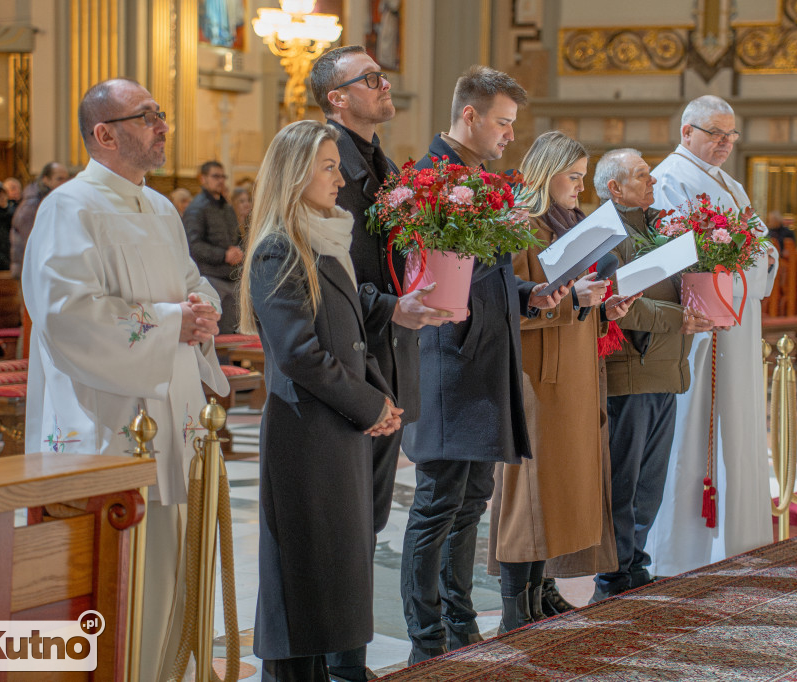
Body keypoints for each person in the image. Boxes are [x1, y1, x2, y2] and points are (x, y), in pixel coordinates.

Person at [22, 78, 229, 682]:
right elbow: (67, 317)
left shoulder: (161, 207)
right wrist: (171, 323)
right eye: (147, 117)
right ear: (105, 134)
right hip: (112, 419)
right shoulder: (70, 207)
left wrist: (203, 307)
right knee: (126, 573)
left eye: (161, 114)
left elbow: (192, 279)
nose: (163, 126)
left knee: (177, 563)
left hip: (177, 413)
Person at [399, 65, 571, 664]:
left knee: (471, 498)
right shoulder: (423, 180)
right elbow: (422, 278)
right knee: (437, 502)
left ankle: (460, 619)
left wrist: (531, 295)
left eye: (513, 125)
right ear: (468, 115)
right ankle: (426, 638)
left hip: (487, 361)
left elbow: (490, 277)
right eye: (501, 123)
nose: (508, 136)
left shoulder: (484, 180)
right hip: (447, 361)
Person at [240, 119, 403, 682]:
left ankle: (340, 668)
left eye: (337, 166)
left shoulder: (326, 237)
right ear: (295, 174)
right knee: (303, 574)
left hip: (339, 427)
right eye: (328, 167)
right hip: (306, 432)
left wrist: (379, 399)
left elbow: (349, 324)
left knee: (335, 566)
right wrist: (368, 404)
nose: (339, 179)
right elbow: (299, 354)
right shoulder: (278, 249)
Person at [310, 44, 453, 682]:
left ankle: (348, 661)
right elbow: (327, 269)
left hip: (386, 354)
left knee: (366, 525)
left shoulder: (381, 160)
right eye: (368, 78)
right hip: (350, 358)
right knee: (343, 529)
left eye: (382, 74)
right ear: (337, 97)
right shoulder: (325, 160)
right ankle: (338, 665)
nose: (383, 83)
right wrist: (390, 306)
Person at [487, 131, 638, 630]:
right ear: (546, 174)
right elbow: (505, 305)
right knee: (530, 489)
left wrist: (605, 304)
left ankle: (540, 590)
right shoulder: (520, 223)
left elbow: (575, 295)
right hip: (537, 373)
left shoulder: (571, 223)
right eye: (573, 176)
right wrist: (574, 301)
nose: (580, 186)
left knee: (557, 489)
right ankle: (517, 604)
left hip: (574, 368)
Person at [645, 94, 779, 577]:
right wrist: (736, 262)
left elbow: (761, 244)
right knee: (695, 423)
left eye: (731, 135)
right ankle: (683, 550)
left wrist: (754, 258)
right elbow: (672, 252)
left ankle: (736, 539)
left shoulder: (731, 183)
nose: (725, 143)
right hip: (699, 326)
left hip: (736, 322)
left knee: (735, 421)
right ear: (687, 132)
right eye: (715, 134)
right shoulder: (668, 179)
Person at [590, 149, 713, 601]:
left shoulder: (656, 224)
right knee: (623, 481)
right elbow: (615, 302)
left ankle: (634, 564)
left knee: (649, 482)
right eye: (643, 176)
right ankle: (613, 575)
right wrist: (677, 318)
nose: (654, 181)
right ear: (615, 188)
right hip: (632, 369)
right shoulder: (605, 231)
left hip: (664, 370)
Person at [183, 160, 243, 334]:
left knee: (233, 333)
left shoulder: (226, 207)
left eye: (223, 176)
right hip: (210, 279)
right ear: (203, 179)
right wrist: (224, 255)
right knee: (216, 337)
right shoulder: (196, 208)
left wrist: (238, 252)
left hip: (231, 277)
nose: (221, 180)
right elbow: (193, 246)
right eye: (216, 176)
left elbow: (237, 238)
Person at [10, 161, 70, 278]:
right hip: (31, 270)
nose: (64, 183)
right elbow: (32, 240)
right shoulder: (33, 204)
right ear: (45, 179)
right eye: (59, 179)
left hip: (43, 268)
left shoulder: (51, 199)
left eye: (66, 179)